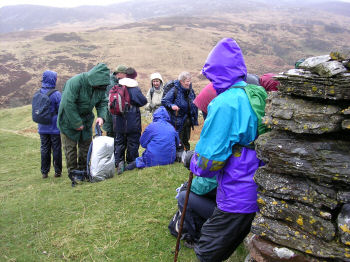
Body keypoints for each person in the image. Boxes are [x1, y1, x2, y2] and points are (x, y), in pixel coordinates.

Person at [189, 38, 267, 262]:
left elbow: (207, 163)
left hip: (238, 193)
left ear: (218, 74)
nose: (210, 81)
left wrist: (190, 161)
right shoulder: (256, 94)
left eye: (212, 76)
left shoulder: (224, 103)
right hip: (259, 185)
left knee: (207, 252)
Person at [57, 63, 110, 177]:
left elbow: (103, 102)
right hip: (67, 120)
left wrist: (101, 116)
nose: (101, 88)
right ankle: (73, 173)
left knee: (86, 146)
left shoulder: (101, 86)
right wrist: (76, 122)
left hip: (86, 120)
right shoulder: (75, 82)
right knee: (70, 149)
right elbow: (68, 103)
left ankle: (84, 170)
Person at [122, 106, 180, 172]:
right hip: (170, 159)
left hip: (152, 160)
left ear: (155, 115)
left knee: (139, 161)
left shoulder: (152, 126)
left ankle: (125, 169)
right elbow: (177, 144)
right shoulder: (171, 127)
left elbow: (143, 143)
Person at [114, 77, 147, 174]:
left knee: (120, 142)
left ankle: (119, 162)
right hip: (132, 120)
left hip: (118, 121)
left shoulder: (116, 88)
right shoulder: (134, 90)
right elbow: (143, 101)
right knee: (132, 143)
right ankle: (131, 163)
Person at [161, 71, 198, 151]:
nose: (189, 83)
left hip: (188, 119)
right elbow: (165, 101)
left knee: (186, 138)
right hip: (177, 119)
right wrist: (172, 106)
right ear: (181, 81)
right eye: (187, 81)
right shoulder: (174, 90)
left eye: (189, 81)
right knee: (178, 139)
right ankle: (177, 154)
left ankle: (187, 153)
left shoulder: (190, 90)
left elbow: (194, 101)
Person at [37, 70, 62, 179]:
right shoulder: (56, 94)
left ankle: (44, 172)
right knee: (56, 148)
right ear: (53, 79)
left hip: (42, 126)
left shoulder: (38, 93)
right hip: (54, 127)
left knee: (44, 148)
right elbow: (61, 109)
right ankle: (57, 171)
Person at [103, 64, 128, 138]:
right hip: (111, 116)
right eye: (125, 74)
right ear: (120, 73)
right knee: (111, 138)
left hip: (115, 116)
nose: (126, 76)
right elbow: (112, 101)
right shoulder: (111, 84)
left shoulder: (117, 81)